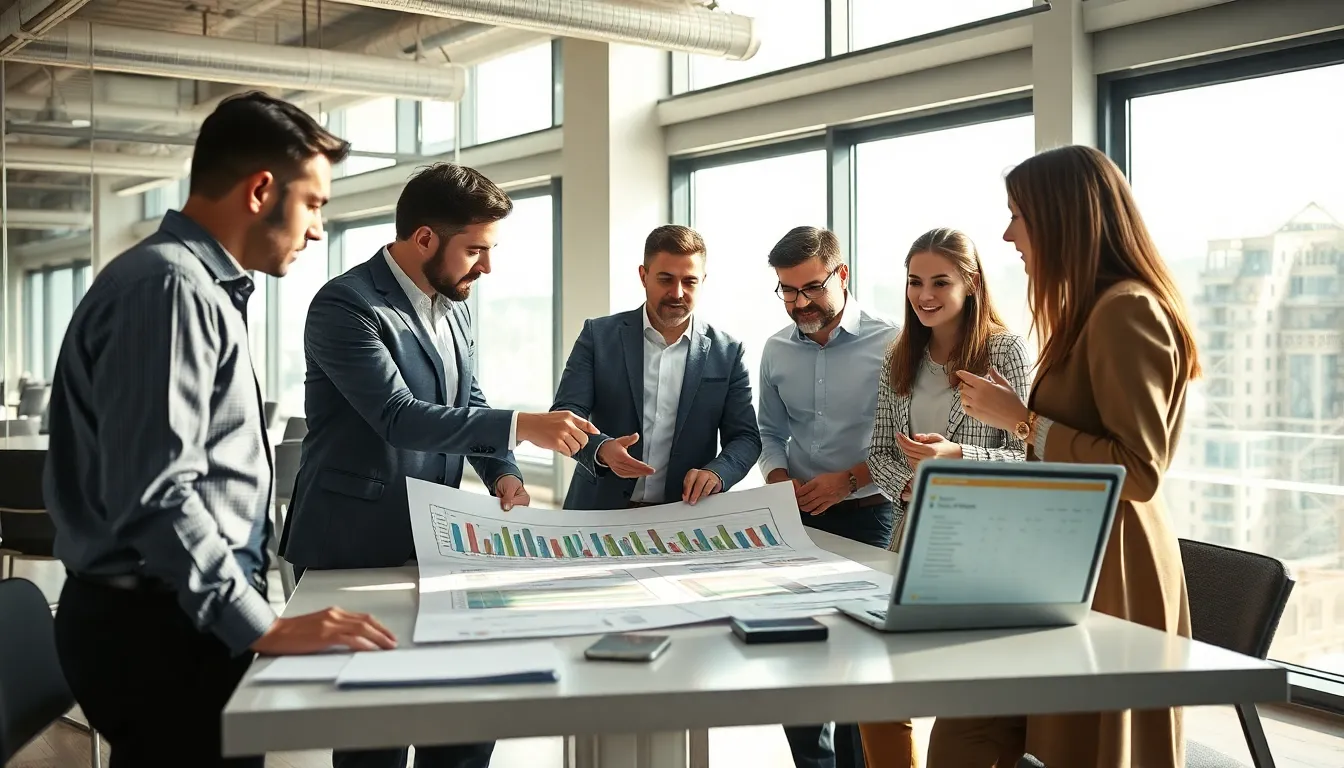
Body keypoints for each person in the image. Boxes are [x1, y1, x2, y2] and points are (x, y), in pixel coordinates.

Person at [43, 92, 397, 768]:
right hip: (158, 627)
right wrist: (260, 624)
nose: (317, 229)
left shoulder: (191, 285)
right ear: (260, 191)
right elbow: (157, 493)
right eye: (314, 204)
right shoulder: (170, 288)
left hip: (174, 612)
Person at [280, 162, 596, 768]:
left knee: (465, 719)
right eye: (476, 250)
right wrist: (524, 424)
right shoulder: (345, 305)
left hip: (438, 543)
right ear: (425, 238)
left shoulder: (454, 302)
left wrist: (503, 470)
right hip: (353, 545)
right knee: (374, 736)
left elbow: (466, 398)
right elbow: (398, 416)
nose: (487, 267)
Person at [928, 145, 1199, 767]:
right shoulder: (1094, 311)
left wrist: (1020, 420)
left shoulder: (1126, 310)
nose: (1008, 235)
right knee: (972, 730)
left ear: (1060, 218)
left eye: (1017, 216)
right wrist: (1017, 416)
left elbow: (1139, 470)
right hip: (1065, 558)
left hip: (1110, 567)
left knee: (1061, 744)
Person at [858, 227, 1031, 767]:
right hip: (910, 540)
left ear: (971, 283)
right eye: (915, 281)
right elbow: (880, 452)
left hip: (983, 551)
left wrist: (956, 459)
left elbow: (1031, 458)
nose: (924, 295)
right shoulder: (899, 355)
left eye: (940, 282)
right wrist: (914, 485)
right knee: (878, 686)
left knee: (966, 702)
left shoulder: (1004, 349)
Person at [757, 225, 900, 768]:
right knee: (799, 654)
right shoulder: (775, 350)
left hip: (870, 516)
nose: (799, 303)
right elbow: (769, 433)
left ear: (842, 274)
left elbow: (904, 440)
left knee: (859, 660)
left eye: (811, 288)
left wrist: (849, 480)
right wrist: (777, 479)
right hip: (796, 522)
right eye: (787, 290)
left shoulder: (892, 344)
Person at [551, 224, 761, 509]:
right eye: (666, 279)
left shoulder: (728, 352)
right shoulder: (597, 336)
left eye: (690, 281)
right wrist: (600, 448)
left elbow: (745, 437)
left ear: (703, 281)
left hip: (682, 512)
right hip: (597, 507)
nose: (677, 293)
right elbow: (566, 414)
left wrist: (717, 473)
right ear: (644, 276)